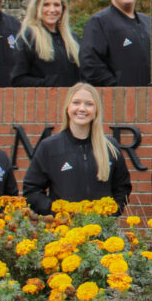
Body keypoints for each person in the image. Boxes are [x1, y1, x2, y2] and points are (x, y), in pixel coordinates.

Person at [22, 83, 131, 215]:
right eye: (76, 103)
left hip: (101, 230)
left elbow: (122, 188)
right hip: (62, 231)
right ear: (67, 108)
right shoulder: (49, 147)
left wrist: (110, 214)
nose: (82, 108)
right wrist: (57, 212)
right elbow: (31, 190)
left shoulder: (111, 147)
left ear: (96, 110)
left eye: (89, 104)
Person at [79, 0, 152, 86]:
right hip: (118, 100)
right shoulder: (99, 22)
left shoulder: (149, 22)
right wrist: (116, 89)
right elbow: (90, 64)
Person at [11, 0, 82, 87]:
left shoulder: (72, 38)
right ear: (37, 8)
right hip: (43, 100)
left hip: (70, 100)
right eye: (46, 5)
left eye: (56, 5)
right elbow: (18, 79)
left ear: (63, 8)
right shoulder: (28, 37)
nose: (52, 10)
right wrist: (49, 84)